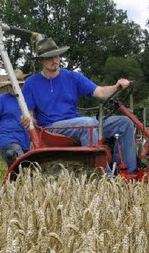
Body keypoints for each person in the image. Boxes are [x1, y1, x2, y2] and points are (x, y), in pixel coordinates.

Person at [21, 37, 137, 174]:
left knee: (124, 122)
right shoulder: (31, 83)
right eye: (49, 58)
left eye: (57, 56)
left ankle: (128, 174)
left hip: (78, 123)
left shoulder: (72, 77)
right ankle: (105, 178)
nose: (55, 61)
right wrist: (28, 120)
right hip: (52, 127)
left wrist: (117, 87)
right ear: (40, 60)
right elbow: (30, 115)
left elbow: (100, 92)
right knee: (87, 124)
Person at [0, 69, 31, 168]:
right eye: (11, 85)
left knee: (29, 170)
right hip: (8, 140)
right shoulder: (1, 100)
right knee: (20, 166)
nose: (14, 87)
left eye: (18, 85)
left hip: (26, 142)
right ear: (8, 85)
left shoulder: (27, 100)